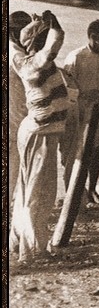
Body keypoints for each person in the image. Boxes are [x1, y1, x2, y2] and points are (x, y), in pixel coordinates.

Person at [10, 11, 70, 263]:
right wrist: (54, 28)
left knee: (28, 190)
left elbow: (51, 47)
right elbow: (52, 47)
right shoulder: (33, 65)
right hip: (40, 132)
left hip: (38, 130)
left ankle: (18, 242)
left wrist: (47, 27)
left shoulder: (34, 62)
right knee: (40, 192)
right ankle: (35, 250)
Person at [62, 19, 99, 205]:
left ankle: (92, 190)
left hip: (98, 111)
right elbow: (66, 87)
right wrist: (84, 94)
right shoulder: (76, 57)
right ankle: (74, 191)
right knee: (77, 151)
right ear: (94, 37)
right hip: (78, 113)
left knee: (98, 147)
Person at [8, 11, 32, 202]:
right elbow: (33, 74)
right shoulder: (16, 54)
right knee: (13, 172)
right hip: (14, 124)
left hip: (15, 120)